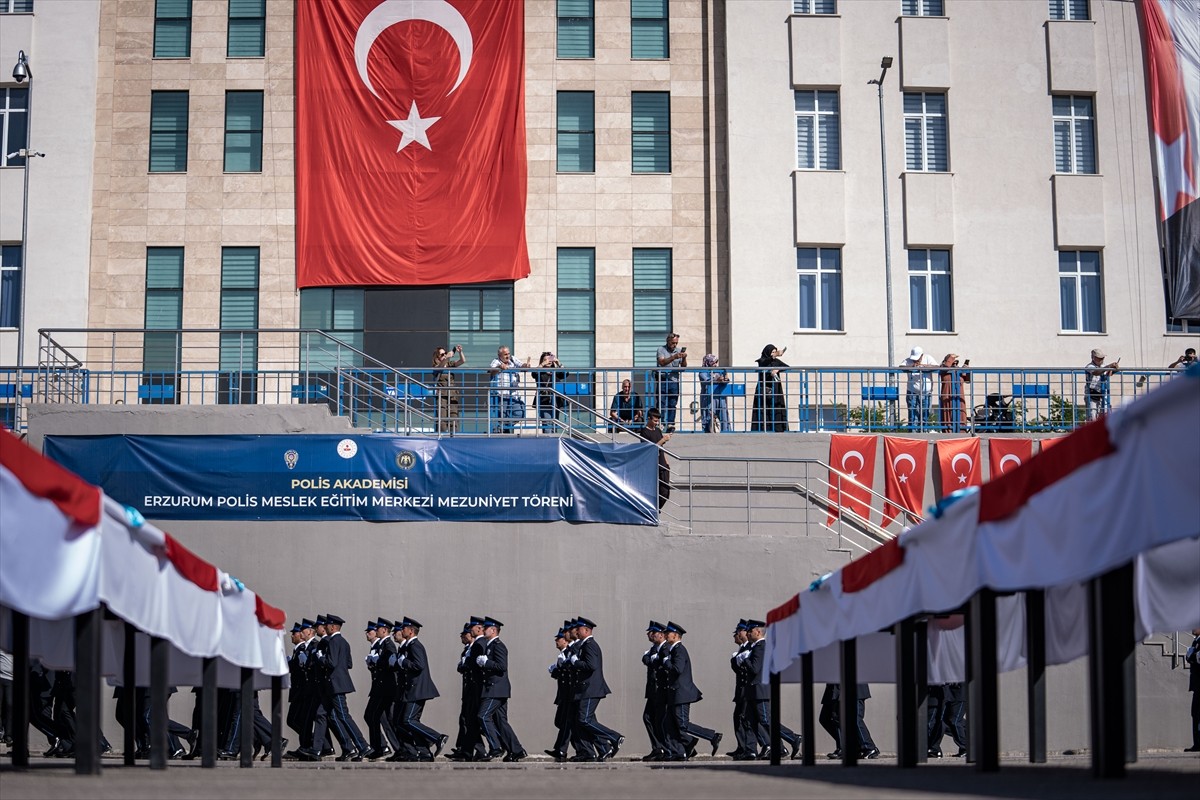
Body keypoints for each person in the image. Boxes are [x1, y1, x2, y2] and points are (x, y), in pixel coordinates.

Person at [657, 621, 722, 761]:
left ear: (675, 635)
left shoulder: (679, 650)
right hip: (675, 693)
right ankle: (679, 752)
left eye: (668, 633)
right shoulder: (673, 650)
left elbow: (677, 669)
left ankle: (712, 736)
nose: (665, 635)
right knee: (668, 724)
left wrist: (666, 661)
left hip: (681, 693)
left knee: (682, 724)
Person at [741, 620, 800, 759]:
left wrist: (745, 659)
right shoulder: (755, 647)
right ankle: (757, 750)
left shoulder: (761, 647)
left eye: (750, 631)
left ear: (758, 632)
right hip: (753, 691)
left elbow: (755, 668)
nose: (748, 633)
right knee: (749, 721)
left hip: (760, 690)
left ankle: (793, 738)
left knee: (766, 720)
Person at [567, 617, 623, 762]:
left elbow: (591, 665)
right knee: (586, 720)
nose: (576, 632)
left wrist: (576, 662)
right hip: (586, 689)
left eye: (578, 629)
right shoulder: (585, 645)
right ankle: (604, 748)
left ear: (586, 630)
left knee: (584, 719)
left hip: (590, 689)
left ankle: (614, 737)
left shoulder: (590, 645)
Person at [392, 617, 446, 762]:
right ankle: (424, 752)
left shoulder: (415, 645)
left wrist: (403, 662)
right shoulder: (409, 646)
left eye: (404, 628)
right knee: (407, 721)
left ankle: (437, 737)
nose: (401, 630)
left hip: (417, 689)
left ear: (410, 631)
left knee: (408, 720)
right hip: (411, 689)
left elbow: (419, 665)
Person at [474, 618, 526, 761]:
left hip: (496, 689)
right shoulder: (489, 645)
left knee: (483, 716)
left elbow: (502, 666)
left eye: (486, 628)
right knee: (501, 722)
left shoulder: (498, 646)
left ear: (493, 630)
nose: (483, 630)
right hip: (494, 689)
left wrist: (487, 663)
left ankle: (496, 748)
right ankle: (517, 750)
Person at [818, 682, 877, 759]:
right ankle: (851, 747)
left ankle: (869, 747)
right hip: (834, 687)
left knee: (854, 719)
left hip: (852, 685)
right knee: (826, 718)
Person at [640, 620, 669, 761]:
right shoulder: (654, 649)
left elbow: (660, 664)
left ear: (661, 635)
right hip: (653, 691)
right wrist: (650, 658)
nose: (649, 635)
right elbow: (645, 659)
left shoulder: (665, 648)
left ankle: (663, 748)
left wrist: (652, 659)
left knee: (660, 721)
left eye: (653, 632)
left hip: (661, 691)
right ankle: (658, 748)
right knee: (648, 718)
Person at [545, 625, 573, 761]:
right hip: (563, 695)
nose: (556, 640)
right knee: (561, 722)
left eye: (559, 638)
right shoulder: (562, 654)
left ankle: (561, 750)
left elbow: (567, 674)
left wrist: (556, 671)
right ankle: (561, 749)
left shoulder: (569, 652)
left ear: (566, 641)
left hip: (570, 695)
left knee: (570, 723)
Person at [488, 346, 529, 433]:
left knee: (520, 413)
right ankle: (504, 431)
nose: (508, 356)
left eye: (508, 353)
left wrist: (526, 365)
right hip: (501, 395)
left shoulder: (513, 359)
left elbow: (522, 365)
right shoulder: (496, 361)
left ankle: (503, 428)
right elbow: (491, 370)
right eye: (505, 354)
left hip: (514, 395)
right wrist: (500, 367)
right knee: (503, 417)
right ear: (499, 355)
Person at [638, 408, 673, 509]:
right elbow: (650, 449)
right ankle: (653, 510)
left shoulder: (657, 430)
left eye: (658, 421)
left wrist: (666, 463)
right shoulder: (644, 433)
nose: (657, 423)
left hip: (663, 465)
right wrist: (663, 440)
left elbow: (661, 448)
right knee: (656, 491)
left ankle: (656, 509)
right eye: (655, 420)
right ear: (649, 419)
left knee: (666, 492)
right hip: (653, 465)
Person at [751, 344, 788, 432]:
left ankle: (777, 428)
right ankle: (764, 429)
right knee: (763, 410)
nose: (774, 354)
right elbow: (764, 363)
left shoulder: (776, 361)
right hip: (764, 389)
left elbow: (787, 367)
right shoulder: (762, 360)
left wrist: (777, 369)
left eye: (775, 352)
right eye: (772, 352)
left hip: (775, 389)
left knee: (775, 408)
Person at [900, 346, 938, 431]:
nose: (915, 360)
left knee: (925, 414)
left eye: (917, 359)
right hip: (912, 392)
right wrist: (912, 366)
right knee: (913, 414)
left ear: (922, 355)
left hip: (926, 393)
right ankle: (913, 432)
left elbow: (936, 367)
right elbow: (901, 367)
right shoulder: (908, 360)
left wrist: (924, 366)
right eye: (914, 359)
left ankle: (924, 431)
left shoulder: (928, 357)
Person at [655, 333, 688, 431]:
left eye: (676, 343)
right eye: (673, 343)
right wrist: (673, 357)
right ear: (668, 341)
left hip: (674, 380)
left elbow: (683, 367)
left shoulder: (678, 351)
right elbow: (662, 363)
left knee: (672, 403)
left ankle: (670, 423)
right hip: (663, 379)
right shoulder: (661, 350)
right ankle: (660, 422)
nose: (675, 345)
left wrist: (684, 358)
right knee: (661, 403)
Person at [927, 680, 967, 758]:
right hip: (948, 696)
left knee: (954, 721)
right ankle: (934, 748)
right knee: (943, 722)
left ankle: (966, 748)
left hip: (959, 695)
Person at [431, 345, 466, 433]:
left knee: (453, 416)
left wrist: (460, 352)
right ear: (437, 357)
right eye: (442, 354)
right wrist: (447, 357)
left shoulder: (450, 364)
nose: (444, 355)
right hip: (442, 395)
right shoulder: (436, 367)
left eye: (445, 353)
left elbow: (462, 361)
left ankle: (453, 437)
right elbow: (440, 367)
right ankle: (442, 437)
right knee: (442, 417)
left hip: (452, 394)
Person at [532, 351, 567, 433]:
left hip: (556, 400)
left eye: (549, 359)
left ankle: (553, 442)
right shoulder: (540, 371)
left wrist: (558, 363)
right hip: (544, 400)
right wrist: (542, 364)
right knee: (547, 423)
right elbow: (534, 373)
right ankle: (548, 441)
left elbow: (565, 374)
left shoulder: (556, 371)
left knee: (555, 423)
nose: (548, 361)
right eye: (545, 360)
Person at [699, 354, 732, 433]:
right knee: (708, 415)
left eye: (716, 362)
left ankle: (726, 432)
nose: (715, 364)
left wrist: (725, 379)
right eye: (713, 362)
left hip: (720, 396)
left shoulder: (719, 370)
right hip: (708, 397)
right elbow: (706, 381)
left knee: (724, 414)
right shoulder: (703, 371)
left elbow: (725, 380)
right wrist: (717, 379)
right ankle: (707, 432)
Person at [1084, 348, 1119, 421]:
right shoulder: (1089, 366)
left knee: (1105, 415)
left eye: (1102, 358)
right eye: (1099, 358)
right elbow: (1096, 372)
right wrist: (1109, 367)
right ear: (1093, 358)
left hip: (1102, 393)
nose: (1102, 360)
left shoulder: (1104, 366)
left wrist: (1115, 369)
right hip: (1091, 393)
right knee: (1092, 415)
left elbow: (1108, 374)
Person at [938, 354, 970, 433]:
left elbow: (968, 380)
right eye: (953, 363)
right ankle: (948, 430)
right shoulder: (943, 368)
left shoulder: (959, 371)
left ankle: (962, 430)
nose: (955, 365)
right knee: (947, 412)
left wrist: (967, 370)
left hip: (959, 396)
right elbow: (945, 368)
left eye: (956, 363)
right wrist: (951, 357)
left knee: (961, 412)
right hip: (947, 395)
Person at [1186, 628, 1200, 752]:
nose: (1192, 628)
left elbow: (1196, 658)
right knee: (1195, 714)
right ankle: (1197, 744)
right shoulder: (1196, 641)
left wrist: (1192, 655)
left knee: (1198, 714)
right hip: (1197, 685)